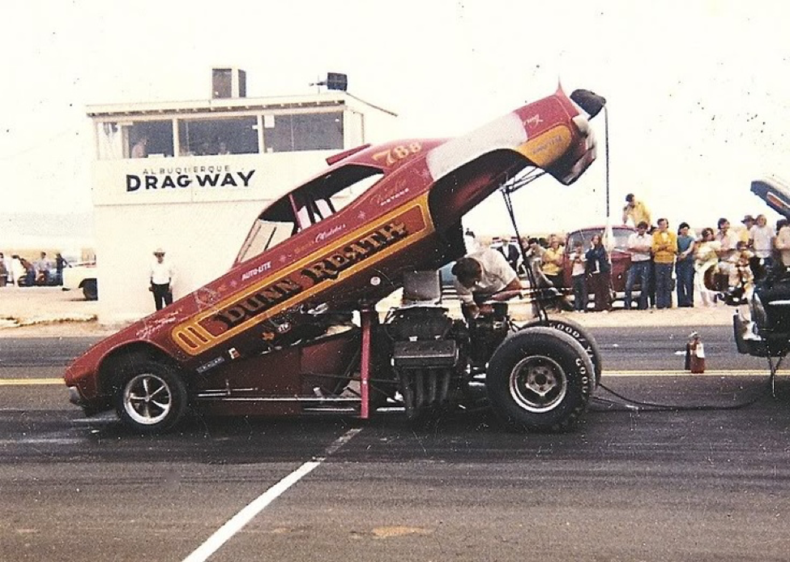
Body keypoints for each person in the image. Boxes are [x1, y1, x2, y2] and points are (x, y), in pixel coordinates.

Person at [451, 247, 522, 319]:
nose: (468, 286)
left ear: (478, 276)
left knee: (500, 317)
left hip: (500, 290)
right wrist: (478, 310)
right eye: (466, 285)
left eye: (471, 284)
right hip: (476, 296)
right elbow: (470, 305)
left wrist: (495, 299)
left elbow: (516, 286)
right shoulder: (459, 280)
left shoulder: (495, 261)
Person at [624, 221, 652, 310]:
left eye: (643, 228)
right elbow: (629, 247)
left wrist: (636, 248)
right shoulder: (632, 236)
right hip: (634, 262)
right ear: (637, 229)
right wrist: (642, 249)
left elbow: (647, 248)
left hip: (645, 262)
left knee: (644, 285)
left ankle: (643, 306)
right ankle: (627, 305)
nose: (642, 230)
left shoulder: (649, 237)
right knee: (629, 284)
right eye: (640, 228)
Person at [652, 218, 678, 309]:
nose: (662, 226)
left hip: (668, 260)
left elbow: (674, 248)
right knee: (659, 282)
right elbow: (653, 248)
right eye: (660, 224)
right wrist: (665, 246)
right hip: (658, 261)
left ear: (667, 225)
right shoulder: (655, 235)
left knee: (667, 282)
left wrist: (660, 247)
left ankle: (668, 303)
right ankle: (659, 303)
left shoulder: (672, 235)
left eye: (664, 224)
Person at [585, 233, 612, 312]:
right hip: (595, 271)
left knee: (604, 288)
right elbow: (588, 256)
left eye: (597, 239)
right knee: (597, 289)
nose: (595, 241)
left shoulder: (602, 249)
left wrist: (594, 253)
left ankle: (606, 305)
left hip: (603, 271)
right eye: (594, 239)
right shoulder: (592, 249)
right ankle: (598, 306)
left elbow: (599, 256)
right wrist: (592, 249)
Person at [694, 227, 720, 307]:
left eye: (709, 234)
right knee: (701, 282)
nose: (707, 236)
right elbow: (696, 252)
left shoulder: (715, 243)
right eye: (705, 235)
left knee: (711, 282)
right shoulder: (700, 244)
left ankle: (713, 300)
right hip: (701, 264)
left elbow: (717, 252)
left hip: (711, 263)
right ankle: (705, 301)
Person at [714, 217, 739, 291]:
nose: (724, 227)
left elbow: (732, 248)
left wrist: (722, 251)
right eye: (722, 225)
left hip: (731, 260)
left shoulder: (733, 235)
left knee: (731, 280)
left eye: (726, 225)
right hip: (721, 260)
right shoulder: (717, 235)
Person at [675, 222, 696, 307]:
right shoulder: (677, 239)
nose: (685, 231)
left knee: (688, 281)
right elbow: (675, 248)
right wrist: (678, 255)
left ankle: (689, 300)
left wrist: (684, 254)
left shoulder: (691, 239)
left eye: (687, 229)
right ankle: (681, 301)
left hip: (688, 262)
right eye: (683, 229)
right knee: (680, 282)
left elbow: (691, 248)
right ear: (680, 230)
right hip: (680, 262)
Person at [749, 214, 774, 279]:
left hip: (767, 252)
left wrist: (772, 249)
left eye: (762, 220)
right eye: (759, 220)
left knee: (768, 269)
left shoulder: (769, 228)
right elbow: (750, 240)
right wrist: (751, 248)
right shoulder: (753, 229)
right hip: (757, 252)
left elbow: (773, 238)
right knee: (756, 269)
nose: (761, 221)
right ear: (757, 221)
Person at [569, 241, 588, 312]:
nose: (578, 248)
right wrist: (573, 259)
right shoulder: (572, 255)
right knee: (576, 292)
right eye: (577, 247)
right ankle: (577, 307)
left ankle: (584, 307)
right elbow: (570, 266)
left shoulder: (584, 255)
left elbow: (585, 266)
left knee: (583, 291)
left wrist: (580, 260)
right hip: (575, 275)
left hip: (582, 274)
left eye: (580, 247)